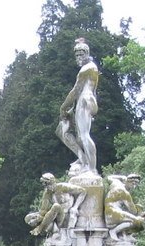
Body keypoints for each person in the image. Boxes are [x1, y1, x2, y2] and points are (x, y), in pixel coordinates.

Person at [57, 38, 99, 176]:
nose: (79, 57)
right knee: (65, 132)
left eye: (81, 54)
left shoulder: (87, 68)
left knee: (85, 135)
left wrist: (63, 107)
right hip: (84, 101)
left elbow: (75, 90)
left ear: (87, 53)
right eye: (77, 55)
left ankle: (91, 168)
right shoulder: (89, 68)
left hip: (85, 101)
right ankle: (83, 159)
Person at [25, 172, 86, 237]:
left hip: (68, 214)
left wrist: (75, 207)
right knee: (29, 218)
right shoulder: (47, 194)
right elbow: (43, 211)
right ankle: (42, 228)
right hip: (58, 218)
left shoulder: (63, 187)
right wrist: (36, 219)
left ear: (52, 182)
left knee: (56, 206)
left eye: (47, 184)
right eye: (44, 185)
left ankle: (40, 229)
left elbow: (83, 191)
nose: (46, 187)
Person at [104, 174, 145, 239]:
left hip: (109, 213)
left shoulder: (117, 183)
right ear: (128, 181)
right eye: (133, 183)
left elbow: (109, 177)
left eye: (136, 184)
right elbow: (133, 211)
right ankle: (114, 231)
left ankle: (124, 234)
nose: (134, 186)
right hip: (112, 215)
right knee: (139, 222)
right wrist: (142, 213)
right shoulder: (125, 193)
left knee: (134, 220)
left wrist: (121, 177)